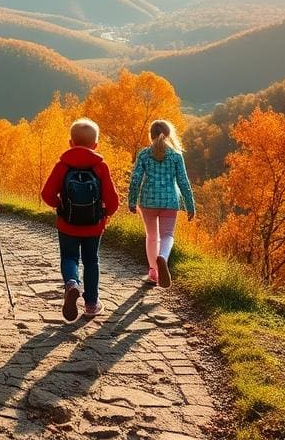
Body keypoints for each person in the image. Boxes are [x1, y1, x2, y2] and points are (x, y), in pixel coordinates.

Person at [41, 118, 119, 321]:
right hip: (94, 225)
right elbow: (112, 200)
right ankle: (91, 304)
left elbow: (47, 193)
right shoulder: (100, 167)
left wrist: (59, 205)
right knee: (91, 261)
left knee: (69, 258)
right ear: (95, 145)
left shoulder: (63, 165)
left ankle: (72, 284)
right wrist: (106, 214)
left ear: (71, 143)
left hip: (67, 224)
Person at [128, 119, 196, 289]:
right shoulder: (175, 156)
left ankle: (153, 271)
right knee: (167, 236)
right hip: (169, 201)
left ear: (151, 136)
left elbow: (135, 179)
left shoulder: (144, 154)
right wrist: (190, 205)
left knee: (152, 236)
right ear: (169, 134)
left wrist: (131, 200)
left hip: (148, 201)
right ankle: (163, 258)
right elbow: (183, 182)